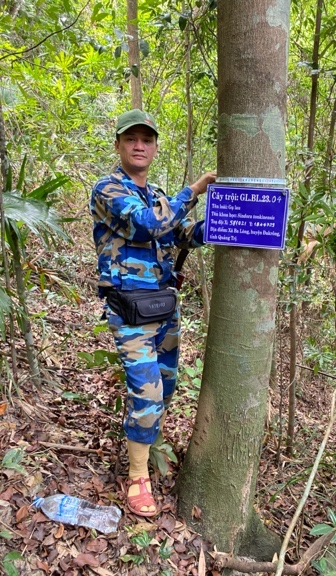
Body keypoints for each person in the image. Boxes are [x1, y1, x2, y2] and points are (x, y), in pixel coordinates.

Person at [89, 109, 216, 517]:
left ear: (156, 147)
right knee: (146, 394)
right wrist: (192, 191)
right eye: (131, 139)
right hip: (131, 311)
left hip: (165, 309)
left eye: (146, 139)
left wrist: (230, 217)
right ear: (119, 145)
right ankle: (138, 476)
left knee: (166, 386)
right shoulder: (107, 189)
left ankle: (147, 445)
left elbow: (181, 234)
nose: (139, 145)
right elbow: (146, 226)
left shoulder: (157, 193)